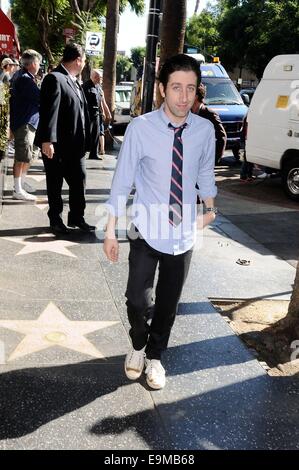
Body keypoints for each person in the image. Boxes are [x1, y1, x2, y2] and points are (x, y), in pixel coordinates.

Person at [103, 54, 217, 390]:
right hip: (145, 228)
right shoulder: (141, 128)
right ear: (162, 90)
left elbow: (205, 176)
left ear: (197, 91)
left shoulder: (204, 130)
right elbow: (122, 181)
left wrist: (210, 212)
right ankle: (138, 343)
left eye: (191, 88)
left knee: (168, 304)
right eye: (177, 87)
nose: (184, 96)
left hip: (183, 234)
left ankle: (155, 358)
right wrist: (109, 230)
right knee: (137, 299)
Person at [35, 43, 95, 235]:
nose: (85, 64)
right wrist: (47, 141)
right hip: (57, 145)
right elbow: (48, 112)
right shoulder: (54, 78)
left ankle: (77, 217)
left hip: (76, 146)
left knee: (80, 181)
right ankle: (56, 220)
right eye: (84, 60)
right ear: (78, 60)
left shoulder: (74, 81)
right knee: (55, 184)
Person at [10, 49, 42, 201]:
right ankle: (17, 189)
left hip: (29, 122)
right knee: (22, 156)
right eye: (38, 63)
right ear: (33, 63)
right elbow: (39, 99)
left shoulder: (26, 77)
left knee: (28, 156)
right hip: (24, 122)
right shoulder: (25, 79)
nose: (39, 65)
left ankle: (21, 184)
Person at [192, 82, 227, 165]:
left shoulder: (209, 114)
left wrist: (214, 159)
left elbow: (221, 137)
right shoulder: (187, 113)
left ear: (196, 97)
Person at [82, 69, 103, 160]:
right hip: (88, 114)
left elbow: (100, 100)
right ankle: (82, 152)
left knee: (96, 134)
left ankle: (94, 154)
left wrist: (102, 111)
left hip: (96, 114)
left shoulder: (98, 87)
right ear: (95, 77)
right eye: (100, 77)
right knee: (87, 134)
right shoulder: (86, 86)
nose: (101, 79)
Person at [97, 70, 112, 156]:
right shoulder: (99, 89)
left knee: (101, 132)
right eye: (101, 78)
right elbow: (103, 103)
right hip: (99, 113)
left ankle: (102, 149)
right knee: (101, 132)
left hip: (99, 114)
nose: (102, 79)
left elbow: (103, 103)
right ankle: (101, 149)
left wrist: (107, 113)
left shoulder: (99, 89)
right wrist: (107, 113)